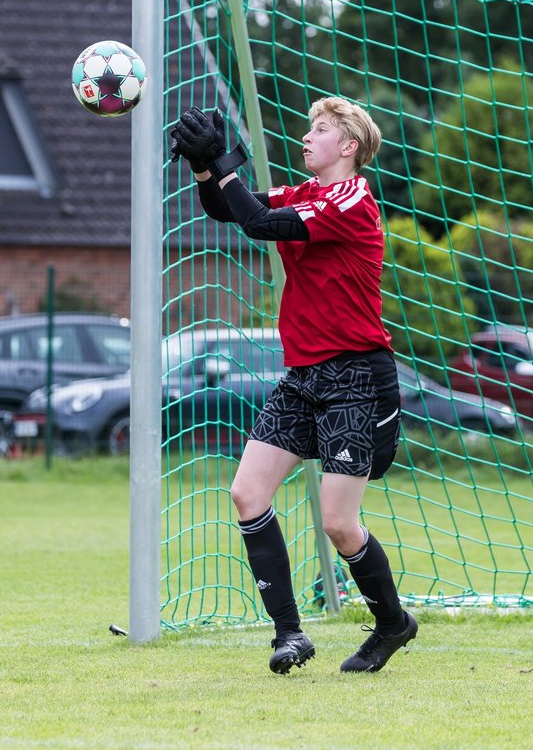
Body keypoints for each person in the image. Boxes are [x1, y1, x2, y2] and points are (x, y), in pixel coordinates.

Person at [169, 98, 417, 675]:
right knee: (247, 494)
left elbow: (255, 224)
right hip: (305, 375)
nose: (308, 138)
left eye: (321, 130)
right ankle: (290, 635)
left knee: (337, 523)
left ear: (349, 146)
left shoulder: (351, 198)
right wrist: (205, 168)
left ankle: (392, 624)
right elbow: (232, 210)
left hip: (357, 376)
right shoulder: (305, 194)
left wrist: (225, 167)